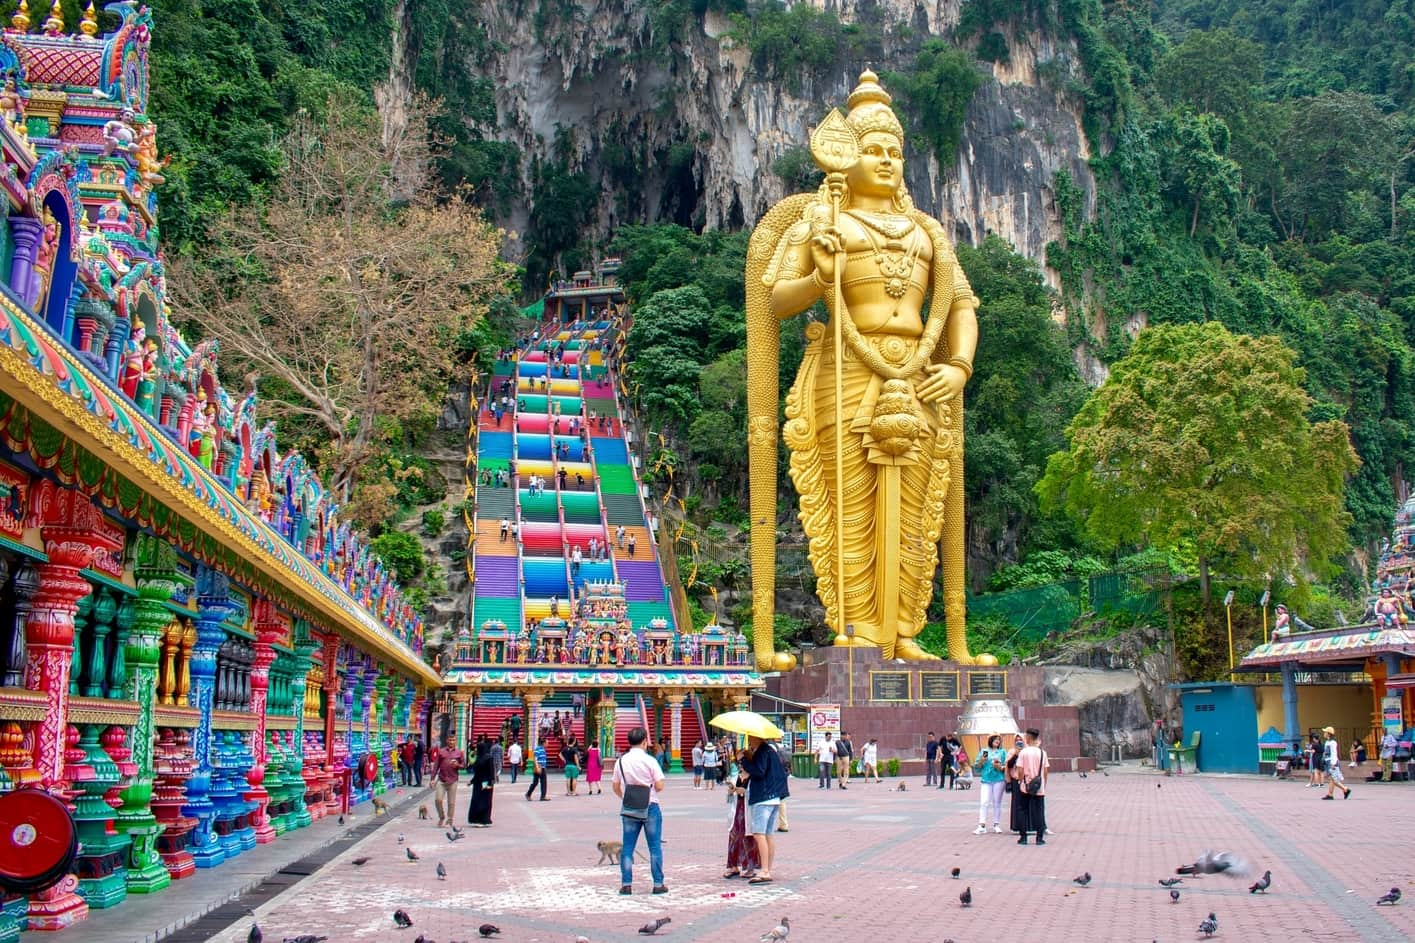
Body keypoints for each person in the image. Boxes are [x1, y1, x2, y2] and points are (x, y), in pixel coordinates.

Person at [748, 70, 982, 667]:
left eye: (894, 152)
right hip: (845, 369)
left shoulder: (929, 231)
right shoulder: (822, 222)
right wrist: (819, 276)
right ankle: (854, 626)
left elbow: (959, 306)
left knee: (919, 507)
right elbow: (775, 299)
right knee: (848, 500)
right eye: (872, 150)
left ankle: (904, 630)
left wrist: (958, 366)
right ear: (845, 157)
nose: (884, 160)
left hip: (922, 371)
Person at [612, 726, 667, 895]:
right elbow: (659, 785)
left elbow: (615, 786)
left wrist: (626, 797)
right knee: (654, 847)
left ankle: (626, 884)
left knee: (627, 847)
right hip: (650, 805)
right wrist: (648, 791)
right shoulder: (650, 760)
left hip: (629, 807)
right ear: (644, 741)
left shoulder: (621, 761)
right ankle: (658, 884)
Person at [739, 735, 789, 885]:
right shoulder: (771, 751)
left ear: (757, 737)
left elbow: (759, 771)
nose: (750, 741)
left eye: (751, 738)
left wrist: (744, 760)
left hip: (763, 798)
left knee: (759, 834)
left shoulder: (762, 751)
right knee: (768, 835)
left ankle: (765, 870)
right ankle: (767, 868)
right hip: (774, 797)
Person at [723, 762, 763, 879]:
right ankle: (733, 866)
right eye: (740, 763)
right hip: (736, 811)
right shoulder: (735, 777)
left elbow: (756, 795)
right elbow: (729, 800)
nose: (741, 766)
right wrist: (730, 792)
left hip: (748, 811)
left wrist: (745, 792)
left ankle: (750, 867)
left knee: (749, 838)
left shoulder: (754, 778)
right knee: (734, 837)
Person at [1015, 728, 1048, 845]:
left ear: (1028, 738)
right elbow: (1045, 770)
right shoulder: (1042, 753)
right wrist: (1044, 783)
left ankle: (1023, 837)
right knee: (1039, 812)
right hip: (1038, 786)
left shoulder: (1023, 752)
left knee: (1022, 811)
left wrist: (1020, 781)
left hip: (1025, 785)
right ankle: (1039, 838)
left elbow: (1020, 770)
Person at [973, 734, 1007, 834]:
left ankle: (996, 824)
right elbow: (977, 767)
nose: (997, 741)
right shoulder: (984, 751)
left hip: (999, 779)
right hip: (986, 780)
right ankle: (982, 825)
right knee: (984, 802)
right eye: (995, 739)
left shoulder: (1002, 752)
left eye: (999, 740)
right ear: (990, 740)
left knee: (997, 802)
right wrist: (982, 761)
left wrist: (999, 767)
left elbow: (1007, 766)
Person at [431, 735, 465, 828]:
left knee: (451, 802)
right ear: (447, 740)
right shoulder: (441, 752)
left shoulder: (459, 753)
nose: (451, 742)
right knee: (438, 800)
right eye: (450, 740)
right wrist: (432, 779)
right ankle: (441, 817)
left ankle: (450, 819)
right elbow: (436, 766)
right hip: (441, 780)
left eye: (453, 740)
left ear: (455, 741)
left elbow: (464, 765)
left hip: (453, 780)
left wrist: (457, 765)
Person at [467, 740, 496, 828]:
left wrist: (490, 784)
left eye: (477, 747)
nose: (475, 749)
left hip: (485, 783)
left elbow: (491, 772)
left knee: (484, 801)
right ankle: (475, 819)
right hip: (477, 783)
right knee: (476, 800)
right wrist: (471, 781)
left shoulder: (489, 758)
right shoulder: (478, 758)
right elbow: (477, 773)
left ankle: (484, 819)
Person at [1322, 726, 1351, 800]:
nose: (1324, 733)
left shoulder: (1333, 742)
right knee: (1332, 779)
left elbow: (1334, 753)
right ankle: (1344, 790)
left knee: (1332, 778)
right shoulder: (1327, 742)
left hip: (1332, 761)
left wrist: (1333, 763)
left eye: (1325, 732)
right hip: (1328, 761)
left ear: (1329, 734)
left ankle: (1332, 794)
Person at [525, 737, 549, 802]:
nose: (547, 744)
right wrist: (537, 767)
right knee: (535, 782)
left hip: (543, 767)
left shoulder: (543, 749)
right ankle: (528, 794)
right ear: (543, 743)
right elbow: (535, 759)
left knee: (543, 782)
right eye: (547, 743)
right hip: (539, 767)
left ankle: (543, 796)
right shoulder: (538, 749)